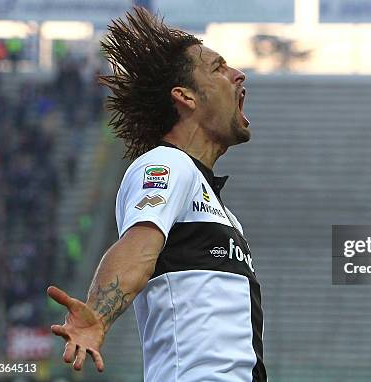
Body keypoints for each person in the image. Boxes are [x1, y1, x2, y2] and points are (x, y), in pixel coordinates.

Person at [47, 7, 266, 382]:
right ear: (186, 97)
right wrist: (98, 315)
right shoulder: (167, 165)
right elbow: (139, 250)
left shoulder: (222, 212)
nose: (237, 74)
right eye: (218, 68)